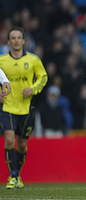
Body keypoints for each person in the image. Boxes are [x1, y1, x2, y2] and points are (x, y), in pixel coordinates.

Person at [0, 26, 48, 189]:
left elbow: (43, 77)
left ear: (23, 41)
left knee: (21, 144)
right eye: (12, 38)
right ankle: (13, 176)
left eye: (18, 38)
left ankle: (17, 174)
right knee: (9, 139)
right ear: (8, 41)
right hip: (7, 106)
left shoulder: (33, 60)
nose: (15, 41)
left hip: (26, 107)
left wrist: (33, 89)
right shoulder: (2, 61)